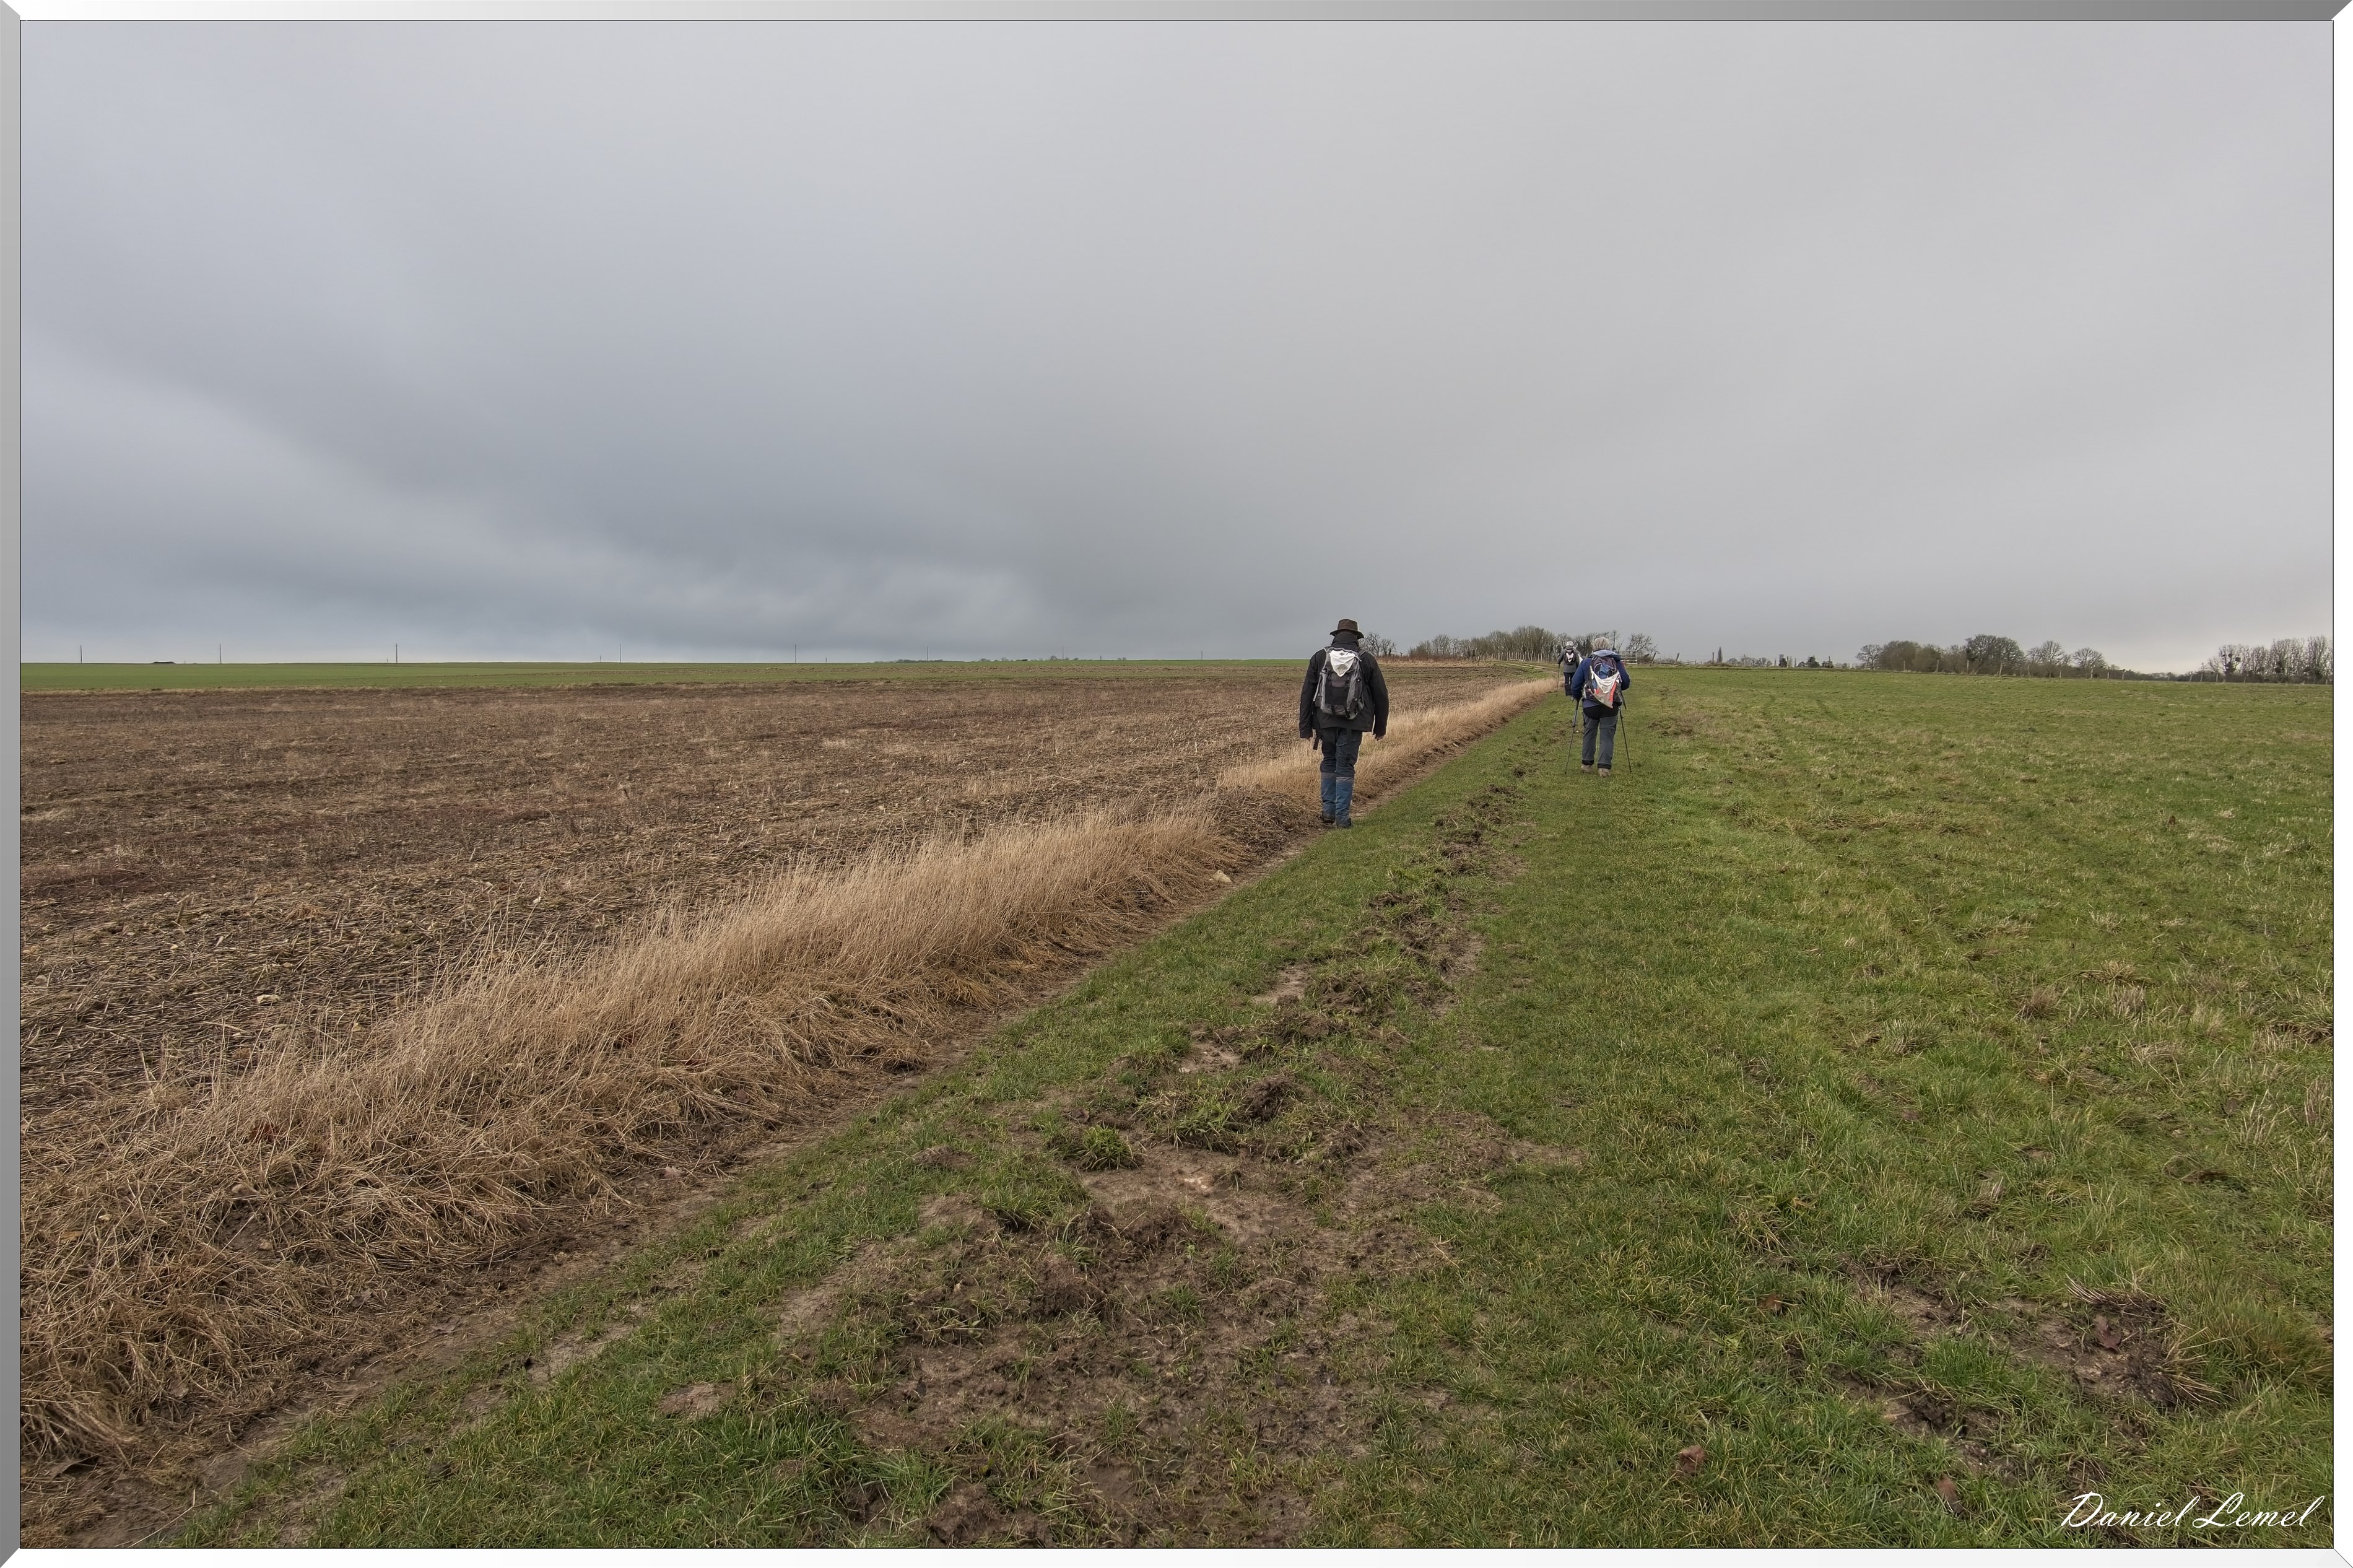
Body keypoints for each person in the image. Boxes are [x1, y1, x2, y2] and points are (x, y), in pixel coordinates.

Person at [1298, 618, 1390, 827]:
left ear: (1336, 636)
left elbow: (1307, 693)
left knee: (1329, 762)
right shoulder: (1366, 660)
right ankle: (1342, 818)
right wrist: (1380, 727)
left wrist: (1305, 728)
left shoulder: (1320, 657)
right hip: (1354, 723)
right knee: (1345, 766)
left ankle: (1328, 812)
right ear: (1357, 638)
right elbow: (1381, 695)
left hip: (1324, 722)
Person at [1568, 642, 1631, 775]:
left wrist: (1577, 695)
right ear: (1608, 648)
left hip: (1590, 705)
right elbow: (1625, 682)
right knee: (1607, 736)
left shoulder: (1587, 662)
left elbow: (1575, 683)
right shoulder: (1616, 661)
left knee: (1589, 733)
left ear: (1594, 647)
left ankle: (1586, 764)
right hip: (1610, 705)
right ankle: (1604, 768)